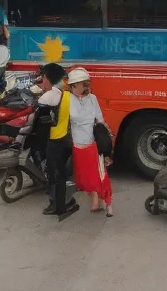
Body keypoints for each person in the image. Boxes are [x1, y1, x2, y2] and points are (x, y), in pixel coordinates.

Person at [66, 67, 114, 216]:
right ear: (73, 85)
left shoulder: (92, 99)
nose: (85, 86)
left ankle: (107, 202)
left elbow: (100, 119)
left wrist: (106, 142)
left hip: (93, 144)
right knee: (85, 178)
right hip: (77, 145)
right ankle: (94, 200)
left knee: (100, 175)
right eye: (82, 84)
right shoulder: (67, 99)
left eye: (86, 83)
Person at [37, 62, 79, 219]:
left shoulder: (47, 97)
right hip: (68, 140)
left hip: (54, 141)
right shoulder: (69, 95)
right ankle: (64, 202)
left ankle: (58, 206)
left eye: (43, 77)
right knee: (62, 174)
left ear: (47, 78)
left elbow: (40, 122)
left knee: (53, 176)